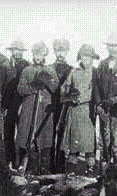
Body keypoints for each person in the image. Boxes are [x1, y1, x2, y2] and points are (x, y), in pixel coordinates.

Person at [16, 41, 59, 174]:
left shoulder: (50, 70)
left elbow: (56, 88)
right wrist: (33, 86)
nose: (38, 57)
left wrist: (47, 81)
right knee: (28, 137)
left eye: (40, 54)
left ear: (44, 55)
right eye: (36, 54)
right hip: (29, 109)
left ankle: (44, 168)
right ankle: (30, 167)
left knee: (45, 138)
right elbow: (20, 89)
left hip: (44, 110)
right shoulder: (27, 70)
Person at [59, 44, 99, 173]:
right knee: (74, 143)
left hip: (87, 110)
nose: (85, 60)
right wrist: (68, 94)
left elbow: (96, 91)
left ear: (92, 59)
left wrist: (83, 98)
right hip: (74, 111)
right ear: (79, 58)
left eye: (88, 57)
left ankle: (91, 168)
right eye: (83, 57)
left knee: (88, 143)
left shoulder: (95, 73)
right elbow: (64, 87)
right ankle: (72, 170)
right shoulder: (74, 72)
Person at [95, 33, 117, 167]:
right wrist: (99, 104)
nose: (112, 49)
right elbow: (97, 85)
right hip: (105, 107)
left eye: (115, 46)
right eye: (110, 46)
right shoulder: (103, 64)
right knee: (105, 137)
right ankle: (104, 164)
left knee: (116, 138)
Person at [3, 39, 29, 167]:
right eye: (14, 50)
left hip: (22, 103)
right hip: (9, 103)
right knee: (8, 132)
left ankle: (23, 163)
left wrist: (24, 104)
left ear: (22, 51)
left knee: (23, 133)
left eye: (19, 50)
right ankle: (10, 161)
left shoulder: (27, 66)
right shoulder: (6, 65)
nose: (16, 52)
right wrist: (4, 105)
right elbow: (4, 85)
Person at [50, 38, 73, 169]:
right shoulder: (49, 69)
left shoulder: (71, 70)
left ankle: (60, 165)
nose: (60, 54)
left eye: (63, 51)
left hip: (64, 107)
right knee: (49, 135)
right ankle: (48, 164)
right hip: (50, 107)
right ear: (54, 52)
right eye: (58, 51)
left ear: (67, 52)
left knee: (63, 135)